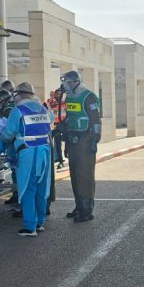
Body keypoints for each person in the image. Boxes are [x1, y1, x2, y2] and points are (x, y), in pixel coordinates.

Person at [0, 82, 52, 237]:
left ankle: (30, 227)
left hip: (28, 153)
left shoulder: (18, 111)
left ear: (19, 95)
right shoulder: (43, 108)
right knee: (41, 188)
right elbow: (50, 120)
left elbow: (8, 134)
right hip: (44, 152)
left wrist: (1, 139)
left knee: (28, 188)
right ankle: (40, 222)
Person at [59, 70, 101, 223]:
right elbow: (70, 117)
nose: (64, 85)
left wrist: (94, 140)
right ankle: (79, 206)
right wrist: (64, 134)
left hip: (85, 139)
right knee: (75, 175)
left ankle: (86, 210)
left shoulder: (88, 97)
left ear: (74, 82)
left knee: (84, 175)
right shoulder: (70, 97)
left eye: (66, 82)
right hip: (72, 140)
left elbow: (95, 120)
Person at [47, 89, 66, 168]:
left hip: (61, 126)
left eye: (60, 94)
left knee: (58, 145)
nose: (59, 95)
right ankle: (50, 160)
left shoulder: (65, 103)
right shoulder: (51, 103)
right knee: (49, 144)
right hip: (52, 126)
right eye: (57, 94)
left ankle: (61, 161)